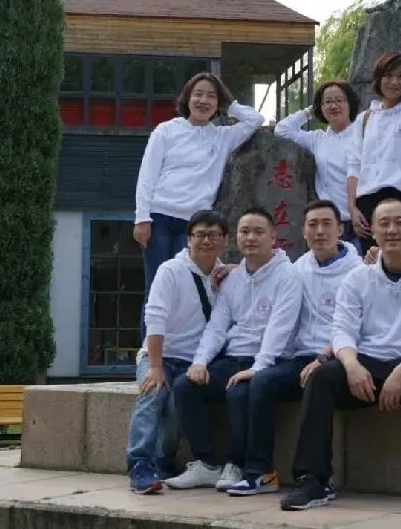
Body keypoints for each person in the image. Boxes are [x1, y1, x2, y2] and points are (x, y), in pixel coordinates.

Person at [281, 199, 401, 514]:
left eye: (400, 222)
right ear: (373, 232)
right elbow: (342, 330)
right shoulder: (358, 278)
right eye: (384, 223)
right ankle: (313, 480)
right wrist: (351, 366)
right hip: (366, 369)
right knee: (322, 378)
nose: (392, 230)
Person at [226, 199, 363, 497]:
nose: (319, 231)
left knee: (318, 380)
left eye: (326, 224)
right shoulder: (298, 268)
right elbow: (266, 269)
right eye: (313, 225)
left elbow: (356, 326)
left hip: (339, 357)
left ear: (340, 229)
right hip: (299, 358)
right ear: (303, 231)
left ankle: (316, 478)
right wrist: (233, 269)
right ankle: (260, 473)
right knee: (261, 382)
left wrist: (324, 356)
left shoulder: (359, 271)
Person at [166, 209, 302, 492]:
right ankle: (206, 464)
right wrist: (200, 362)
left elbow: (280, 328)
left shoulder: (288, 275)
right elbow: (217, 327)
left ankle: (238, 465)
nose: (250, 237)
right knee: (184, 386)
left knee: (239, 392)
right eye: (244, 231)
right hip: (234, 358)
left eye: (258, 232)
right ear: (236, 238)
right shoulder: (232, 279)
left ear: (273, 238)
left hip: (272, 360)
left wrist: (258, 367)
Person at [134, 73, 264, 337]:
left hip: (195, 226)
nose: (203, 101)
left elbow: (255, 120)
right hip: (159, 218)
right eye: (198, 94)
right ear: (187, 98)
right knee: (156, 287)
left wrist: (229, 103)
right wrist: (142, 218)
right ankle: (149, 352)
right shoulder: (166, 131)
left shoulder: (222, 136)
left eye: (211, 96)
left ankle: (181, 347)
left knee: (189, 287)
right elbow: (147, 175)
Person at [126, 209, 229, 494]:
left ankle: (163, 461)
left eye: (213, 235)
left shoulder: (227, 276)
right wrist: (155, 366)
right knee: (152, 393)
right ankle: (139, 464)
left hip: (194, 360)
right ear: (188, 239)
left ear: (224, 241)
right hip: (160, 354)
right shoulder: (170, 270)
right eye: (200, 234)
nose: (206, 241)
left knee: (176, 406)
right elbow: (155, 317)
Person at [346, 52, 401, 251]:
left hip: (400, 197)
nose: (394, 82)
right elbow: (354, 163)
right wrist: (352, 207)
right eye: (388, 75)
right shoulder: (364, 118)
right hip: (366, 201)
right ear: (378, 78)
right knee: (371, 260)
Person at [275, 80, 361, 245]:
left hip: (359, 220)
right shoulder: (317, 139)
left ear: (350, 103)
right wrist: (309, 112)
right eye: (327, 102)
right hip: (329, 224)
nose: (333, 106)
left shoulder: (363, 134)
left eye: (339, 100)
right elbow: (282, 130)